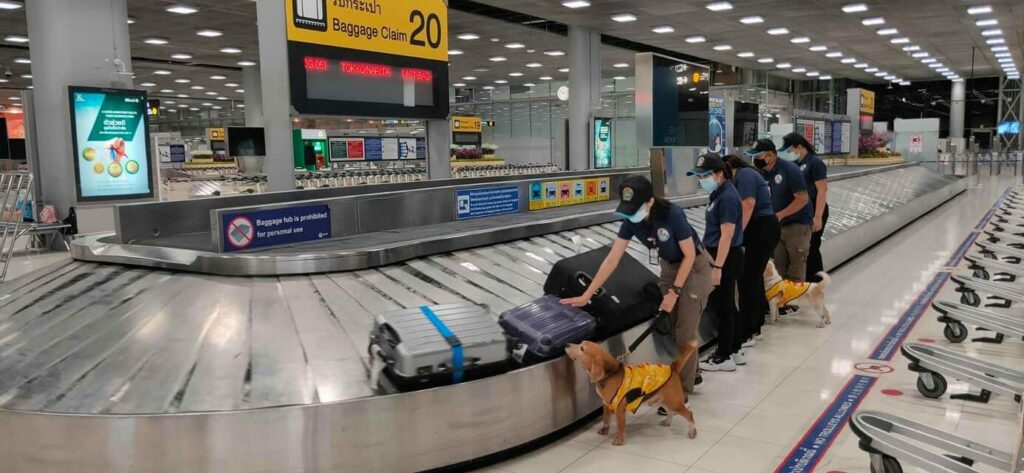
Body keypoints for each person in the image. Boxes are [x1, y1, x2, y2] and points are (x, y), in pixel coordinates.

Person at [561, 175, 712, 392]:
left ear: (650, 202)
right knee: (674, 325)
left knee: (685, 332)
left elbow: (689, 255)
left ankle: (681, 391)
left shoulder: (672, 215)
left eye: (635, 208)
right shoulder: (631, 222)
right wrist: (587, 294)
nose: (631, 215)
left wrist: (674, 293)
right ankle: (692, 371)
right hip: (669, 267)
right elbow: (613, 258)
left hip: (694, 267)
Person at [687, 154, 744, 372]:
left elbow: (726, 235)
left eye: (705, 175)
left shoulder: (727, 197)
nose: (701, 179)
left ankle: (724, 355)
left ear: (720, 174)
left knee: (724, 306)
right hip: (722, 254)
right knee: (728, 303)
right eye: (699, 176)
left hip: (724, 256)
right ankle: (734, 348)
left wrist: (718, 266)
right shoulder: (719, 193)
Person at [723, 154, 781, 352]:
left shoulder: (745, 174)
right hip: (761, 228)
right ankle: (756, 324)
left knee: (747, 278)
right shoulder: (745, 175)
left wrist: (737, 235)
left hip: (761, 227)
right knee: (753, 277)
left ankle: (748, 331)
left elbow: (748, 204)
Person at [745, 138, 811, 283]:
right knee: (778, 267)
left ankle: (792, 303)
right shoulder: (761, 173)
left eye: (759, 156)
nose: (756, 159)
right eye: (754, 157)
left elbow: (802, 198)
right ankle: (781, 301)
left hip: (796, 226)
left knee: (796, 266)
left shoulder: (790, 170)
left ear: (771, 156)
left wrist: (781, 214)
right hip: (775, 227)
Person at [779, 132, 829, 283]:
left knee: (812, 246)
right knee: (803, 249)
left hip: (815, 208)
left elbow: (822, 190)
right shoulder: (795, 165)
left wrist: (818, 216)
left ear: (799, 147)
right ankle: (805, 283)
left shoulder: (815, 163)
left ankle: (816, 283)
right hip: (802, 212)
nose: (790, 153)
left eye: (790, 150)